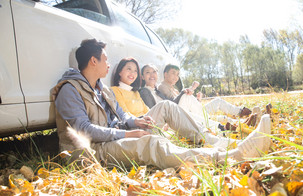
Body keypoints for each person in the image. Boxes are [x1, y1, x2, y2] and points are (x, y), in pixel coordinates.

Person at [52, 39, 271, 169]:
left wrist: (136, 121)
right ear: (93, 61)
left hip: (116, 134)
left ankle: (213, 140)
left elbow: (121, 115)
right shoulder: (70, 90)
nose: (108, 64)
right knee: (151, 143)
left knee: (166, 107)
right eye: (106, 59)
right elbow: (84, 131)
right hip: (92, 151)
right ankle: (230, 157)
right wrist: (128, 135)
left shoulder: (103, 90)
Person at [138, 64, 258, 132]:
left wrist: (196, 100)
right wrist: (185, 92)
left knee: (216, 107)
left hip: (182, 113)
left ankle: (241, 121)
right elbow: (167, 106)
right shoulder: (159, 88)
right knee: (189, 100)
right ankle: (230, 125)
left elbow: (174, 105)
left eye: (154, 72)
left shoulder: (158, 90)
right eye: (148, 72)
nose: (176, 77)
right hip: (172, 119)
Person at [158, 64, 253, 123]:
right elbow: (173, 105)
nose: (176, 77)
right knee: (216, 118)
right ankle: (242, 122)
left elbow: (186, 102)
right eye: (173, 73)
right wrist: (189, 89)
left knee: (218, 101)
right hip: (185, 117)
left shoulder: (173, 88)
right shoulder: (162, 87)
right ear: (165, 74)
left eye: (178, 74)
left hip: (194, 111)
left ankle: (240, 112)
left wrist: (198, 100)